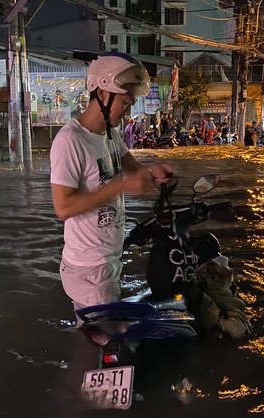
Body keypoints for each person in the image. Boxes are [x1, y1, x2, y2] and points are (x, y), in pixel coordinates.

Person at [49, 52, 174, 316]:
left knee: (103, 340)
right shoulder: (70, 141)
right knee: (107, 346)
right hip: (89, 269)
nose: (128, 112)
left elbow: (133, 169)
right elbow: (63, 207)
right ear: (103, 94)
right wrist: (122, 186)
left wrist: (152, 173)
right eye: (126, 103)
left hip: (107, 261)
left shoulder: (109, 133)